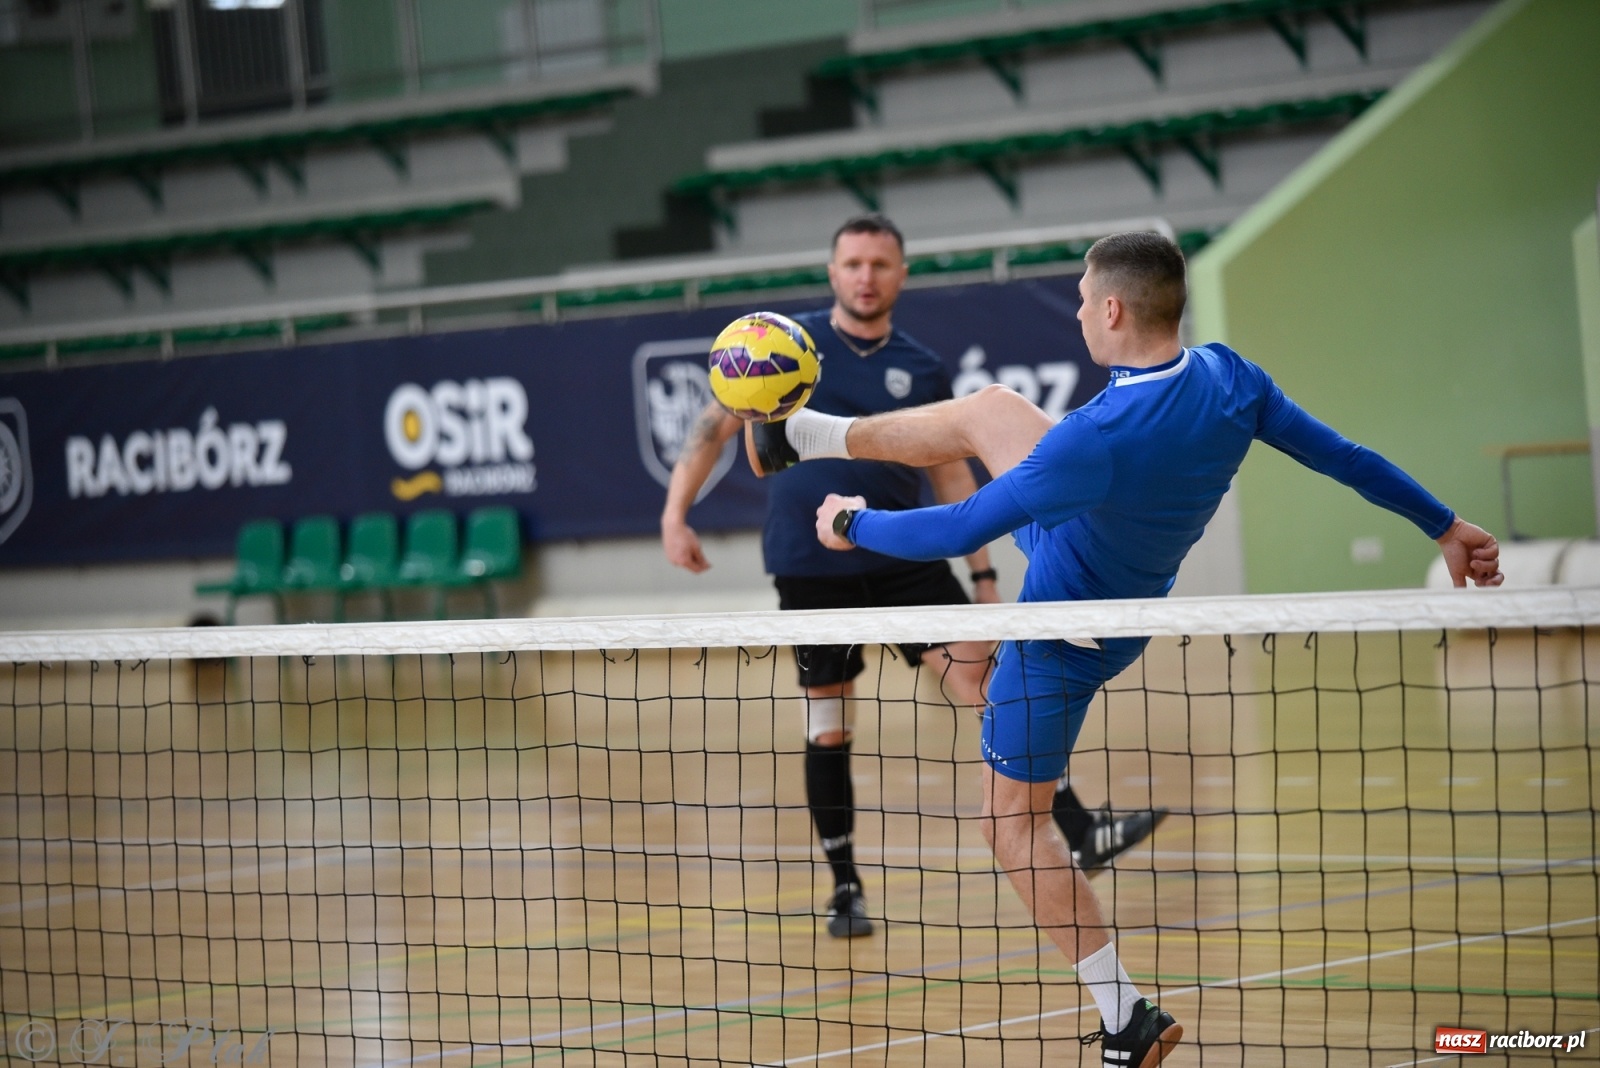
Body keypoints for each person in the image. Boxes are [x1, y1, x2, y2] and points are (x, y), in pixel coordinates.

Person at [745, 231, 1503, 1066]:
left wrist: (852, 523)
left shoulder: (1095, 437)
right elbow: (1344, 458)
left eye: (1079, 298)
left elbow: (958, 526)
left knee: (1010, 827)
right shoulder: (1231, 379)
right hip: (1121, 587)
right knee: (989, 411)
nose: (1074, 310)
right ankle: (802, 435)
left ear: (1111, 309)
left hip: (1061, 631)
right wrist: (1444, 523)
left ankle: (1124, 1016)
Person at [662, 213, 1166, 940]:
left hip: (906, 560)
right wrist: (677, 513)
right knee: (828, 727)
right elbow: (715, 427)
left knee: (990, 686)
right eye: (853, 263)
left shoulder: (922, 365)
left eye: (880, 264)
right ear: (834, 272)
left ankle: (1078, 827)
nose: (865, 276)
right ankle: (845, 890)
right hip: (812, 570)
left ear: (901, 274)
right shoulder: (779, 348)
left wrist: (984, 573)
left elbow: (952, 467)